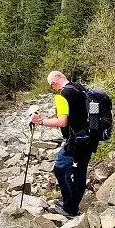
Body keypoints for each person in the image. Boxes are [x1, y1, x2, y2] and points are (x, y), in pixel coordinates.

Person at [30, 70, 91, 217]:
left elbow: (62, 121)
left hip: (76, 142)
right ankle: (70, 205)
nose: (53, 89)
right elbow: (73, 116)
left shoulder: (62, 95)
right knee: (79, 174)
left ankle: (69, 208)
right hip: (89, 137)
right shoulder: (79, 88)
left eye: (52, 86)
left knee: (60, 169)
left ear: (54, 83)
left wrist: (40, 121)